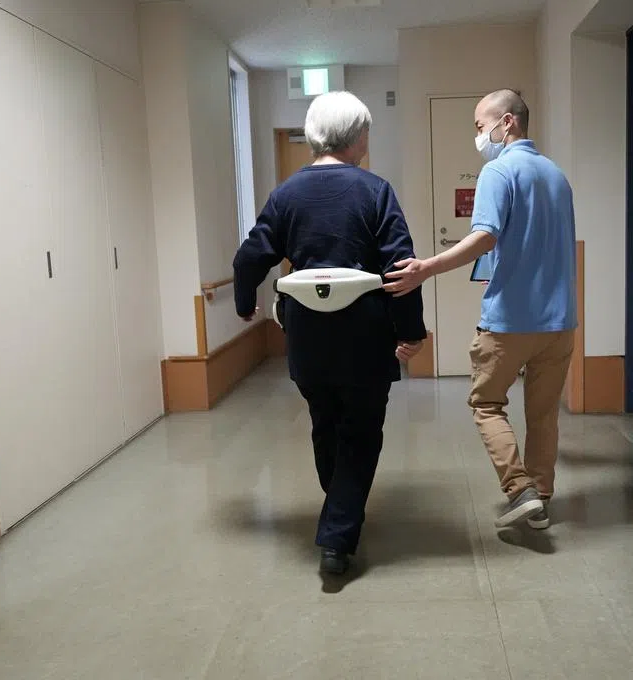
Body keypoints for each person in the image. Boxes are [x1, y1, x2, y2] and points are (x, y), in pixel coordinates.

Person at [232, 91, 427, 577]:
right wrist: (411, 332)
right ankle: (337, 534)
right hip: (365, 335)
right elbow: (401, 268)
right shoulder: (375, 191)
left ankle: (340, 508)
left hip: (307, 337)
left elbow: (247, 259)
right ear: (359, 137)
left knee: (326, 421)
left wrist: (243, 304)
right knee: (361, 434)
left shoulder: (285, 195)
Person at [385, 89, 576, 530]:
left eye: (479, 125)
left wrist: (426, 268)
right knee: (544, 414)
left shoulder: (499, 170)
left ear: (507, 122)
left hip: (510, 321)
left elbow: (486, 235)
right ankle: (541, 497)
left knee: (486, 403)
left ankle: (519, 488)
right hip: (560, 320)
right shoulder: (556, 175)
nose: (479, 134)